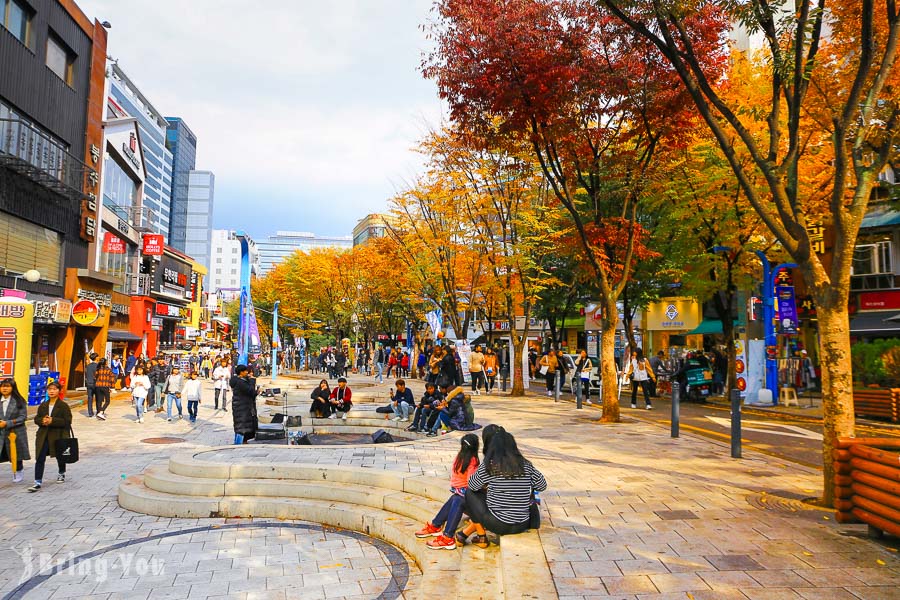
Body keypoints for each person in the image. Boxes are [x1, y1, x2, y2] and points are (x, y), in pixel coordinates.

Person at [460, 429, 547, 538]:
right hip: (522, 524)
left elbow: (472, 485)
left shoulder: (491, 465)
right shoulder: (525, 465)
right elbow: (542, 485)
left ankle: (481, 535)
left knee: (469, 493)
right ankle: (475, 535)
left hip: (498, 524)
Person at [417, 434, 482, 550]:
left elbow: (471, 484)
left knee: (458, 499)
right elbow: (473, 483)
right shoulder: (472, 460)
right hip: (467, 494)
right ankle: (437, 526)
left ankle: (447, 536)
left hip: (471, 499)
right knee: (456, 498)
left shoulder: (462, 458)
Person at [27, 381, 71, 492]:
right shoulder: (43, 405)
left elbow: (67, 422)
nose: (52, 391)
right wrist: (42, 420)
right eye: (50, 389)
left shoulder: (63, 406)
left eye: (54, 389)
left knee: (60, 456)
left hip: (58, 435)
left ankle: (61, 472)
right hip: (43, 435)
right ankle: (37, 481)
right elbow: (36, 419)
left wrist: (53, 421)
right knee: (40, 457)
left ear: (59, 391)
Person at [0, 378, 30, 483]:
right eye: (3, 386)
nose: (4, 388)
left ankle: (18, 472)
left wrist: (7, 423)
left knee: (16, 453)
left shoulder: (19, 401)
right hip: (1, 432)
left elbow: (22, 417)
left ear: (13, 388)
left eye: (7, 386)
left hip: (15, 432)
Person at [230, 365, 258, 444]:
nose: (247, 372)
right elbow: (250, 391)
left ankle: (241, 442)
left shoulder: (240, 380)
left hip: (242, 407)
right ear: (241, 372)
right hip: (242, 408)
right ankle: (238, 444)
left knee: (242, 426)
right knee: (241, 427)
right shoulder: (240, 382)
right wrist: (252, 381)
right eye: (245, 371)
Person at [84, 352, 99, 417]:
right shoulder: (98, 366)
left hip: (89, 383)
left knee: (90, 398)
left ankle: (90, 413)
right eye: (98, 356)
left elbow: (86, 374)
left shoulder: (88, 366)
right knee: (98, 398)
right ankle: (98, 412)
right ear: (96, 358)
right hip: (95, 383)